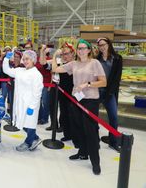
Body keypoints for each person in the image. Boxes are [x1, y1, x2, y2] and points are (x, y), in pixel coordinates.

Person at [52, 39, 107, 175]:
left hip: (90, 101)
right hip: (76, 100)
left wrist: (88, 84)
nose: (81, 51)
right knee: (78, 128)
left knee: (90, 131)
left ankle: (95, 162)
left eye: (83, 48)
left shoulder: (94, 63)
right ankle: (82, 153)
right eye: (79, 48)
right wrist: (55, 56)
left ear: (89, 50)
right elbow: (55, 69)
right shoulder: (74, 64)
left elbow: (103, 82)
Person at [3, 50, 43, 152]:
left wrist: (32, 107)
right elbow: (6, 70)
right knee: (22, 123)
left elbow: (37, 93)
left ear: (33, 60)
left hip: (30, 103)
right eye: (24, 59)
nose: (25, 61)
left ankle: (28, 142)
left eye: (28, 59)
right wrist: (6, 58)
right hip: (20, 103)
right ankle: (35, 138)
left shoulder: (36, 74)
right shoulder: (20, 70)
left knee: (29, 123)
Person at [97, 37, 122, 152]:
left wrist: (109, 92)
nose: (102, 47)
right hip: (97, 91)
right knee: (93, 116)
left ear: (108, 44)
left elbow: (117, 78)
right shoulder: (97, 59)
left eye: (103, 44)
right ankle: (94, 139)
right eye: (99, 45)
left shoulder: (117, 58)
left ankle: (113, 142)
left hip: (110, 92)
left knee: (114, 118)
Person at [55, 43, 75, 142]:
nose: (65, 56)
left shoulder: (73, 64)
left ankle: (73, 134)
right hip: (63, 92)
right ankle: (67, 134)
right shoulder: (64, 64)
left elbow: (54, 69)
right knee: (64, 113)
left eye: (66, 53)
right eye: (63, 54)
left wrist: (55, 56)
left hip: (72, 94)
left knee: (72, 114)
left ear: (72, 53)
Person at [36, 45, 52, 126]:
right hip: (38, 84)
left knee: (45, 102)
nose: (41, 51)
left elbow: (52, 73)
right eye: (40, 50)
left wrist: (50, 85)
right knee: (38, 101)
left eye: (42, 50)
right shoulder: (37, 60)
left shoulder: (49, 60)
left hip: (47, 84)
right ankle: (39, 117)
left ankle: (45, 118)